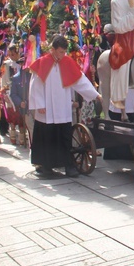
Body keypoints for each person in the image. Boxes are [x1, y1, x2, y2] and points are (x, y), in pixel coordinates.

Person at [28, 35, 102, 177]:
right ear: (53, 50)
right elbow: (35, 85)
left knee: (65, 137)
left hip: (62, 107)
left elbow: (80, 80)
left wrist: (95, 95)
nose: (63, 55)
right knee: (47, 138)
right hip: (47, 109)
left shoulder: (68, 62)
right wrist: (40, 104)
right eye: (60, 52)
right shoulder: (42, 63)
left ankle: (68, 165)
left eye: (64, 52)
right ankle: (46, 166)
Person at [109, 0, 134, 109]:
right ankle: (117, 96)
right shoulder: (116, 1)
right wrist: (133, 11)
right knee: (122, 61)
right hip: (123, 38)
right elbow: (119, 26)